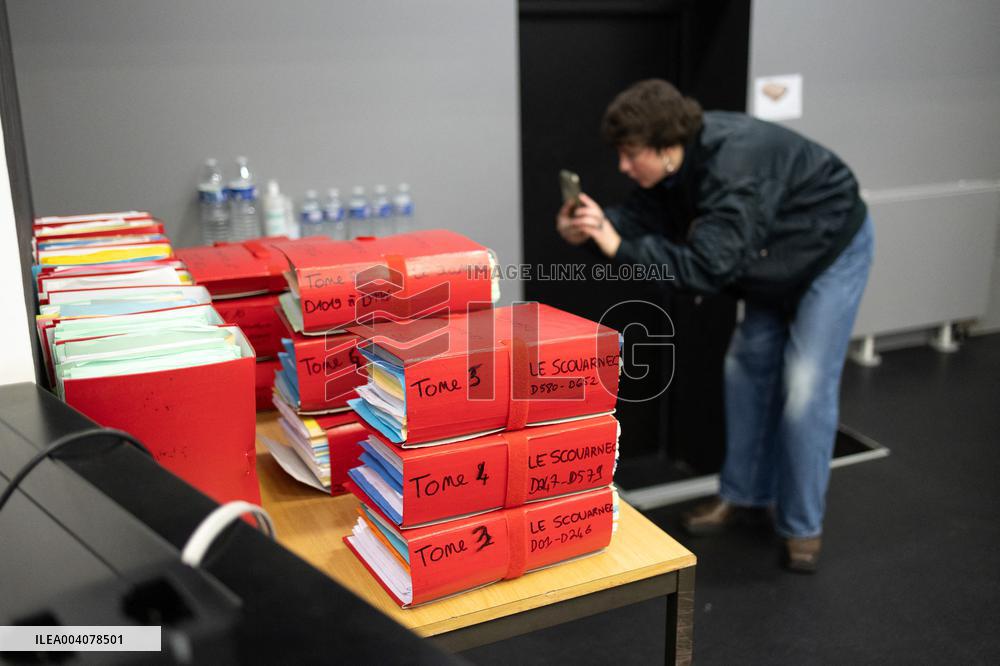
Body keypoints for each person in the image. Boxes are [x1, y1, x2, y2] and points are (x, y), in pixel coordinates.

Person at [556, 79, 874, 573]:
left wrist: (619, 247)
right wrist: (593, 227)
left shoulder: (735, 169)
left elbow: (706, 269)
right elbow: (642, 217)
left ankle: (802, 525)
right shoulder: (673, 165)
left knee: (805, 385)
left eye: (629, 154)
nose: (622, 165)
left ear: (665, 148)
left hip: (830, 249)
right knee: (745, 367)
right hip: (772, 255)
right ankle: (745, 495)